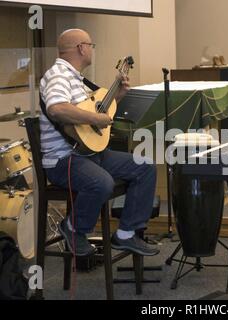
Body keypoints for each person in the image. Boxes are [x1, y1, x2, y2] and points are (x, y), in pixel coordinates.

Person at [39, 29, 159, 257]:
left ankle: (125, 234)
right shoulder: (58, 76)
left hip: (87, 154)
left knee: (144, 166)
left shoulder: (76, 78)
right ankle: (73, 228)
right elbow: (57, 108)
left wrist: (117, 96)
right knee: (102, 183)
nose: (92, 49)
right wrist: (96, 118)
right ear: (81, 48)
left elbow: (90, 112)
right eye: (90, 45)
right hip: (62, 160)